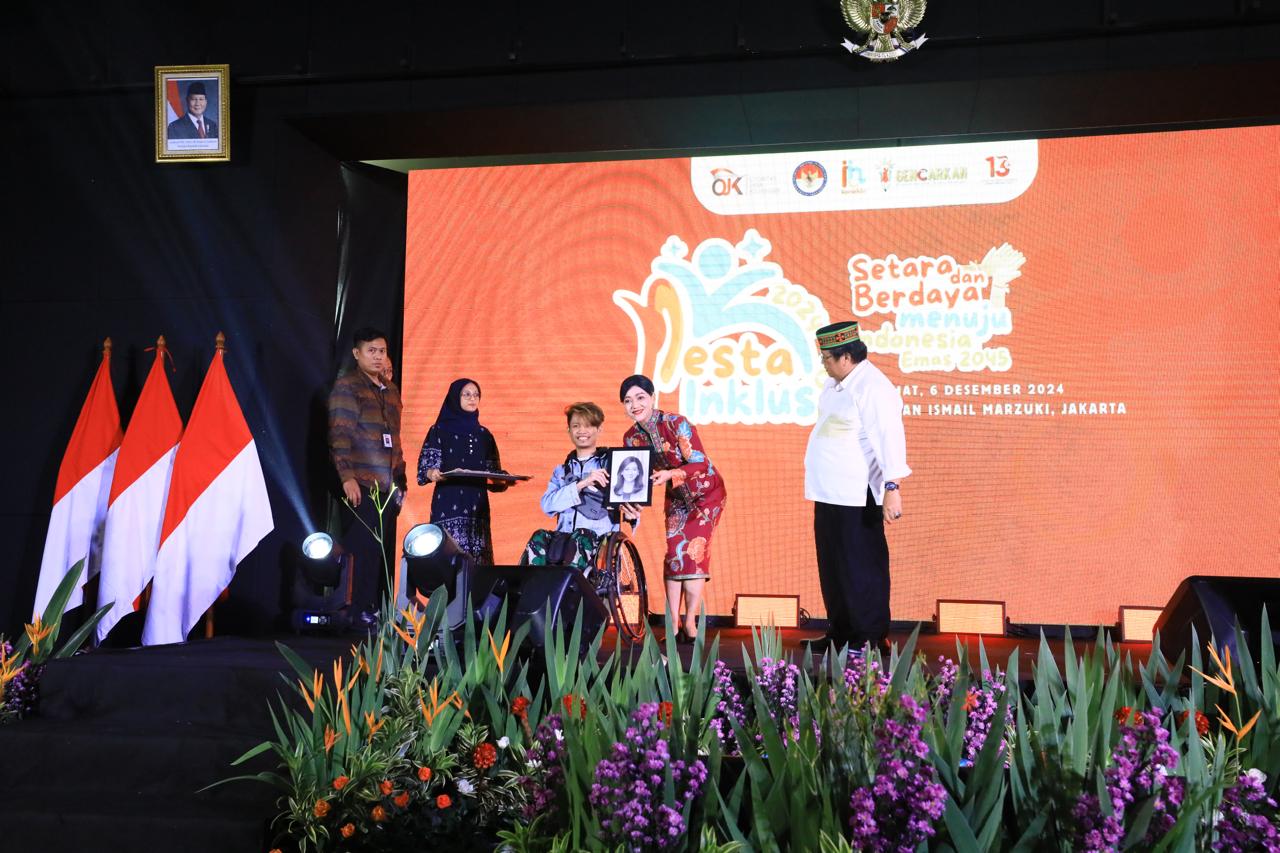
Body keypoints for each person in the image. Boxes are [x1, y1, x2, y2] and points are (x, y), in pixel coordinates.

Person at [803, 320, 911, 655]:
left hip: (857, 494)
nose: (823, 363)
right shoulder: (835, 385)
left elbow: (889, 438)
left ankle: (868, 636)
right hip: (828, 492)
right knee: (833, 566)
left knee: (861, 566)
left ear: (847, 357)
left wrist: (892, 486)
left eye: (827, 358)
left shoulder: (873, 387)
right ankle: (840, 632)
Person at [620, 375, 726, 643]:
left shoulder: (676, 423)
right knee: (673, 555)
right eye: (628, 401)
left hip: (706, 494)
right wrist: (631, 507)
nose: (635, 405)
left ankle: (690, 623)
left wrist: (671, 474)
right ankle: (673, 624)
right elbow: (635, 480)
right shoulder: (631, 438)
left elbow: (700, 463)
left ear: (652, 397)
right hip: (677, 498)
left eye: (640, 398)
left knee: (693, 553)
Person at [328, 326, 406, 624]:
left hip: (387, 486)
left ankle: (371, 609)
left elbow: (394, 439)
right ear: (357, 354)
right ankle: (353, 611)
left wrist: (401, 480)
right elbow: (340, 434)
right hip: (360, 481)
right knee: (359, 548)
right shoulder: (348, 386)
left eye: (382, 351)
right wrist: (346, 477)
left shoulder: (390, 390)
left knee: (377, 550)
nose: (377, 357)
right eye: (371, 351)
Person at [533, 402, 638, 568]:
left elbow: (630, 501)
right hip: (563, 544)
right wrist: (581, 484)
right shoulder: (561, 472)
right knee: (538, 537)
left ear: (599, 429)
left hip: (597, 547)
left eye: (588, 426)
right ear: (569, 430)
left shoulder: (612, 465)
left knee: (581, 537)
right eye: (576, 426)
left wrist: (631, 515)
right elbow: (547, 506)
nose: (582, 431)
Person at [417, 379, 509, 564]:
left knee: (477, 563)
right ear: (454, 397)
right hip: (449, 503)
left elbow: (493, 473)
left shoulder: (484, 435)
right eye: (466, 394)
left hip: (477, 507)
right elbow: (424, 469)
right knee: (449, 560)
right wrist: (432, 473)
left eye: (476, 395)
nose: (472, 399)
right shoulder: (439, 430)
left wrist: (504, 480)